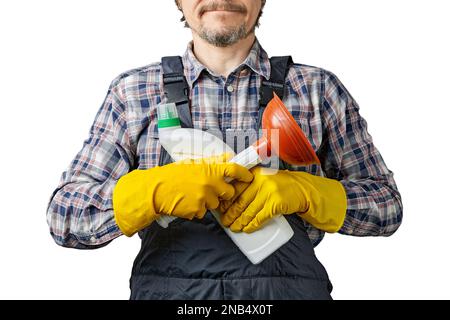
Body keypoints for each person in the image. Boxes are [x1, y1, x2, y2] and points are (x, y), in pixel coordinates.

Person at [47, 0, 403, 300]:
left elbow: (386, 207)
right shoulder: (133, 92)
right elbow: (65, 216)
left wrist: (307, 193)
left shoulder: (316, 89)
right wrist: (151, 193)